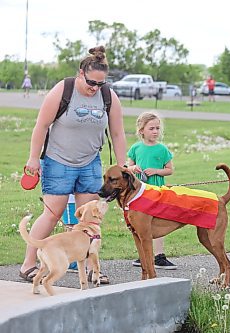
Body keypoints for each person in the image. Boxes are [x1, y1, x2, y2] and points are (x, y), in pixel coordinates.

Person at [19, 46, 127, 284]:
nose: (95, 88)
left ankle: (92, 268)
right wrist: (33, 158)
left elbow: (118, 134)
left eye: (100, 84)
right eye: (91, 82)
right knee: (52, 213)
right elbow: (41, 126)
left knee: (90, 218)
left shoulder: (108, 96)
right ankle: (28, 264)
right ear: (81, 73)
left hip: (89, 162)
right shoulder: (63, 89)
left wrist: (122, 165)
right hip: (58, 162)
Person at [128, 111, 177, 270]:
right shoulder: (136, 148)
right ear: (141, 130)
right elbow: (127, 167)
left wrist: (156, 171)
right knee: (142, 224)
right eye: (151, 128)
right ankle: (144, 255)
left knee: (157, 222)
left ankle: (159, 256)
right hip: (141, 193)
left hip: (158, 192)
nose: (155, 131)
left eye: (157, 128)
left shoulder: (162, 149)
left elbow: (170, 170)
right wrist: (134, 168)